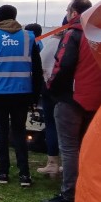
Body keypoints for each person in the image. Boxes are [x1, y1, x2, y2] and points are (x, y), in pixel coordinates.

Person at [42, 0, 101, 202]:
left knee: (69, 148)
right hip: (95, 100)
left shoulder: (74, 34)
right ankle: (87, 192)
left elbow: (62, 66)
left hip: (72, 98)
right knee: (87, 148)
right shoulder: (96, 35)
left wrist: (52, 90)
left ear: (74, 13)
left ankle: (69, 195)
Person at [0, 4, 42, 187]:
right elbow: (37, 70)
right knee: (20, 133)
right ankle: (24, 175)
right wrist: (35, 95)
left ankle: (3, 172)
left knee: (1, 133)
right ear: (15, 17)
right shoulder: (29, 38)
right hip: (22, 93)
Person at [35, 28, 62, 176]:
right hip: (71, 91)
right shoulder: (84, 39)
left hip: (51, 88)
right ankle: (72, 163)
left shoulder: (54, 42)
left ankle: (52, 163)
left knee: (51, 124)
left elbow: (41, 64)